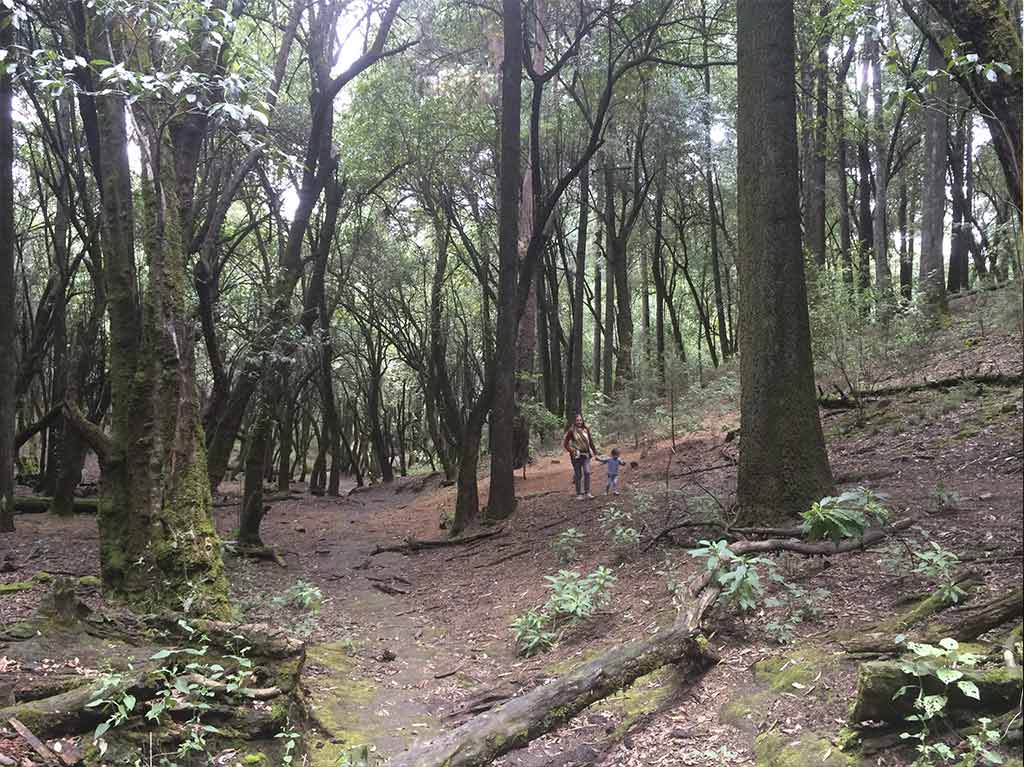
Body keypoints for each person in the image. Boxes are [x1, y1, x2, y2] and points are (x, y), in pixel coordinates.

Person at [562, 414, 598, 500]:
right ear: (575, 421)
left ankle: (587, 492)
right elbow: (565, 444)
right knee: (578, 475)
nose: (579, 422)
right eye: (577, 420)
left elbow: (590, 441)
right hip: (576, 456)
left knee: (587, 472)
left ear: (582, 421)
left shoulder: (586, 429)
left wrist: (595, 452)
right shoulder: (571, 431)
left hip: (586, 455)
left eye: (580, 420)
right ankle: (579, 494)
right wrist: (572, 451)